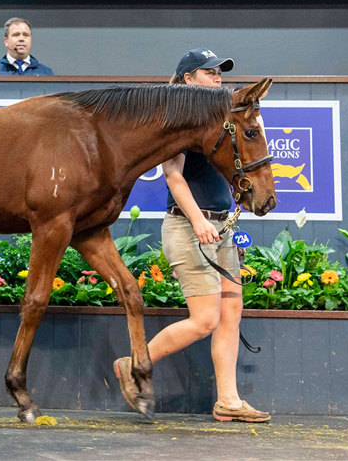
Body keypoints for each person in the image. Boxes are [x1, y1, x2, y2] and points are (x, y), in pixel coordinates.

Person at [113, 48, 271, 423]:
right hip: (189, 228)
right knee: (204, 320)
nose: (218, 78)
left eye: (220, 73)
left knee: (231, 313)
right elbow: (173, 177)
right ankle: (134, 362)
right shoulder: (180, 122)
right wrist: (199, 220)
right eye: (209, 72)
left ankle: (228, 400)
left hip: (221, 229)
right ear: (188, 79)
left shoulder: (221, 122)